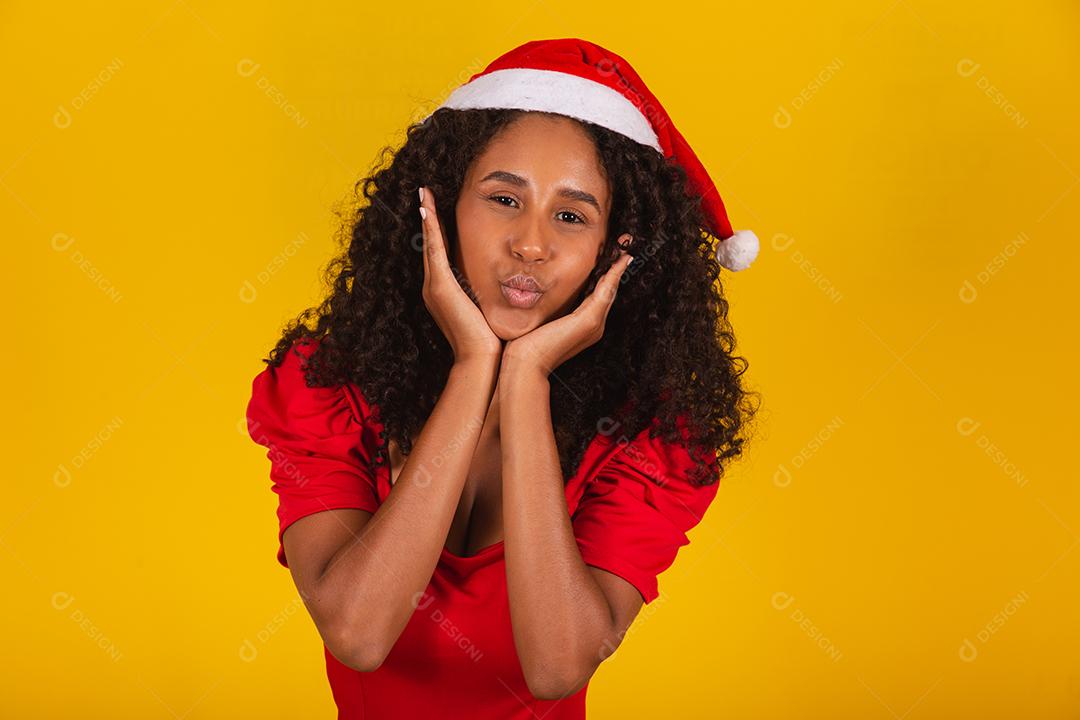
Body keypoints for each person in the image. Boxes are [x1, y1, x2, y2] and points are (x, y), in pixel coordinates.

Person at [245, 37, 760, 719]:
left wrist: (525, 381)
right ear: (440, 209)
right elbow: (357, 632)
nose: (532, 244)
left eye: (571, 215)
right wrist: (473, 366)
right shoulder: (325, 385)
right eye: (503, 199)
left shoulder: (660, 436)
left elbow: (558, 665)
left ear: (616, 254)